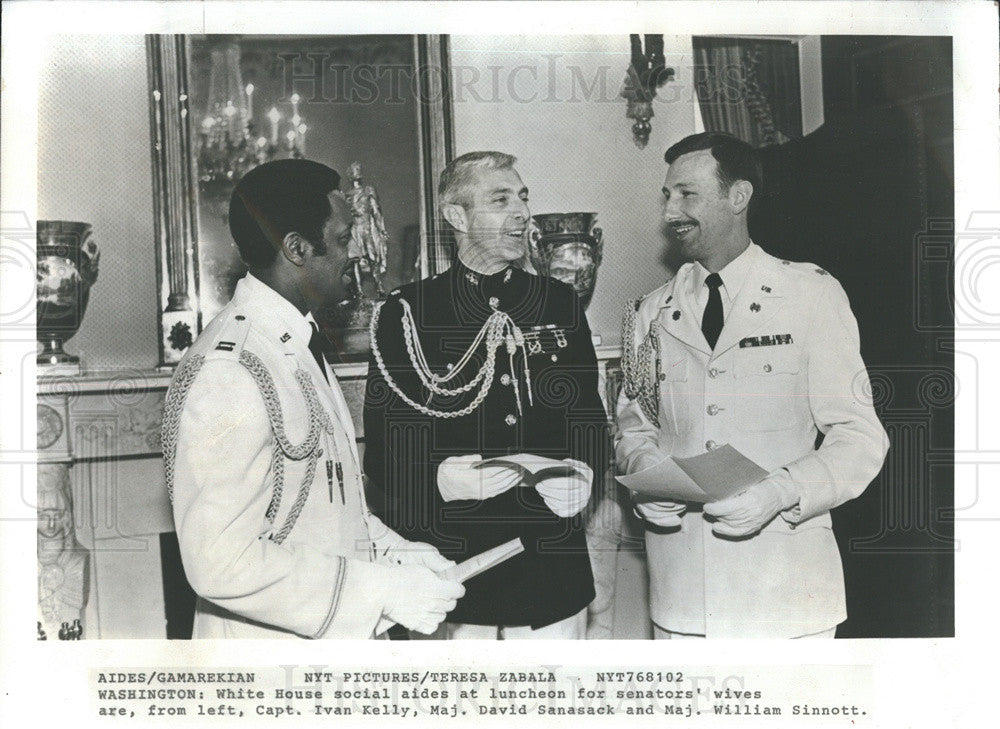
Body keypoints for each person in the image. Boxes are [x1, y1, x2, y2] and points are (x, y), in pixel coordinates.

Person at [161, 159, 464, 639]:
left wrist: (397, 553)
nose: (355, 256)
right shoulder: (231, 369)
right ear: (298, 249)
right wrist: (380, 590)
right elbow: (220, 560)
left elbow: (329, 500)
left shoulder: (292, 340)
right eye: (343, 240)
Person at [616, 132, 889, 639]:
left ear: (738, 197)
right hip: (683, 600)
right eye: (668, 195)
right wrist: (648, 482)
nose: (671, 211)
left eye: (687, 194)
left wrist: (781, 492)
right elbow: (634, 428)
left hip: (787, 592)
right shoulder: (646, 313)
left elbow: (859, 437)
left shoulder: (811, 294)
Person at [363, 151, 609, 639]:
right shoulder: (407, 312)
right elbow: (385, 452)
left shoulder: (559, 303)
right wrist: (437, 480)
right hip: (452, 570)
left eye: (523, 198)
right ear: (457, 216)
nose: (521, 212)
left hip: (549, 568)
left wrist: (584, 472)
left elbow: (590, 422)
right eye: (501, 200)